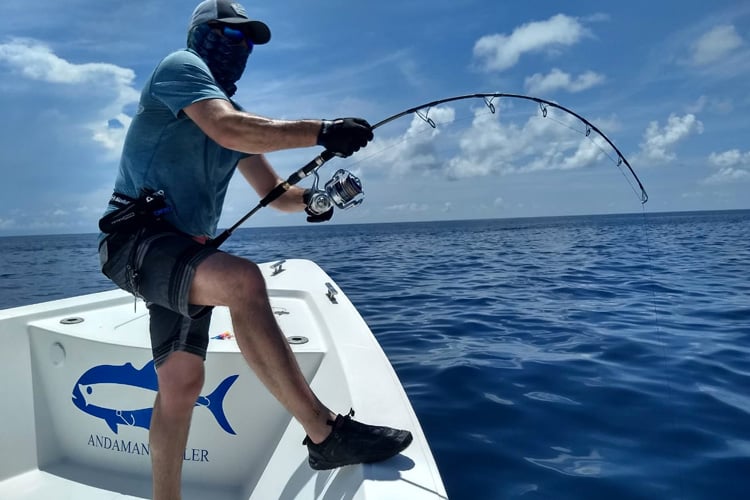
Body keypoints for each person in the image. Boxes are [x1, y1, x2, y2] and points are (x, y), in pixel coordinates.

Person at [97, 1, 412, 498]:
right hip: (135, 241)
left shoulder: (238, 117)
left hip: (185, 255)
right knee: (243, 281)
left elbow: (276, 193)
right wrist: (321, 131)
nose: (237, 48)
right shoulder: (181, 70)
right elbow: (225, 127)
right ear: (199, 35)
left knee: (181, 384)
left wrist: (314, 199)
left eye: (246, 43)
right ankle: (324, 433)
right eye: (227, 36)